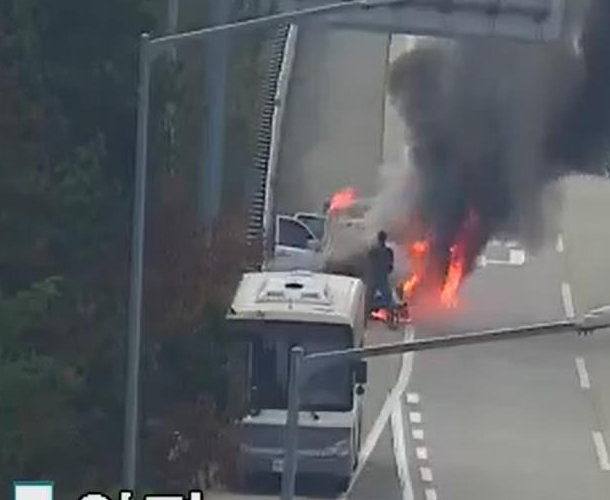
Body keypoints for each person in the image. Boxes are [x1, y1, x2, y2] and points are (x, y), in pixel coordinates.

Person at [366, 230, 395, 313]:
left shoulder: (373, 251)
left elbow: (369, 263)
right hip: (380, 278)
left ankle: (370, 308)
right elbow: (390, 268)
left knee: (370, 297)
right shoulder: (388, 252)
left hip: (375, 278)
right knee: (387, 298)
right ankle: (372, 307)